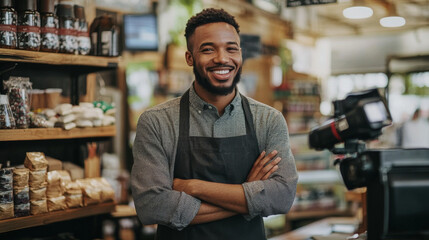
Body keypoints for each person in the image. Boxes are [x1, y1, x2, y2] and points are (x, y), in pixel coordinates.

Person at [131, 8, 298, 240]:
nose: (222, 58)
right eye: (208, 49)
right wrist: (249, 195)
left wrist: (193, 187)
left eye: (231, 48)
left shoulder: (268, 120)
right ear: (190, 57)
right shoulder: (157, 122)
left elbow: (282, 197)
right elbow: (152, 206)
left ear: (240, 54)